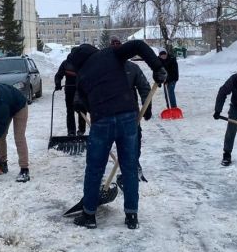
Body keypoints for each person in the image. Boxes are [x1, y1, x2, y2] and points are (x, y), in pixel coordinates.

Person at [68, 40, 166, 230]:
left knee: (94, 169)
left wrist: (81, 104)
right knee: (129, 167)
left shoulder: (82, 75)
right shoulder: (111, 54)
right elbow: (138, 45)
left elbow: (83, 104)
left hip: (101, 121)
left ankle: (89, 215)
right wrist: (157, 66)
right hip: (127, 117)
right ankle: (131, 216)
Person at [110, 36, 152, 182]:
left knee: (135, 141)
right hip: (108, 113)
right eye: (113, 44)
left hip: (130, 112)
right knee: (108, 143)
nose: (116, 46)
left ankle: (134, 165)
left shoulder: (132, 68)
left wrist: (147, 107)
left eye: (118, 44)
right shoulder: (103, 68)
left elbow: (144, 87)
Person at [54, 50, 86, 136]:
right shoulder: (66, 63)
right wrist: (58, 84)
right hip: (70, 90)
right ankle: (71, 131)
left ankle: (81, 131)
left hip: (81, 90)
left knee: (82, 109)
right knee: (70, 111)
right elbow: (58, 75)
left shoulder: (83, 62)